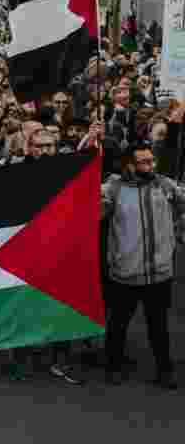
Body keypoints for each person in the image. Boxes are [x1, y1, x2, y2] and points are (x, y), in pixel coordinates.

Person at [102, 143, 185, 388]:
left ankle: (164, 370)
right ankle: (113, 366)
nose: (151, 166)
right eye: (144, 162)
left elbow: (182, 206)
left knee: (159, 326)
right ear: (129, 164)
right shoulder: (113, 188)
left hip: (159, 273)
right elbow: (92, 210)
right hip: (125, 272)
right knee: (118, 324)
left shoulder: (165, 184)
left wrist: (178, 231)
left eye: (152, 161)